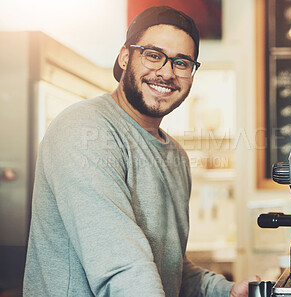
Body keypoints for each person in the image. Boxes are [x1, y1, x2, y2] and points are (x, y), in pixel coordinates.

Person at [23, 6, 259, 297]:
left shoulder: (175, 156)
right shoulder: (84, 129)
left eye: (182, 63)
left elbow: (170, 268)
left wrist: (226, 290)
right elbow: (122, 266)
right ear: (125, 57)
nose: (166, 72)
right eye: (153, 55)